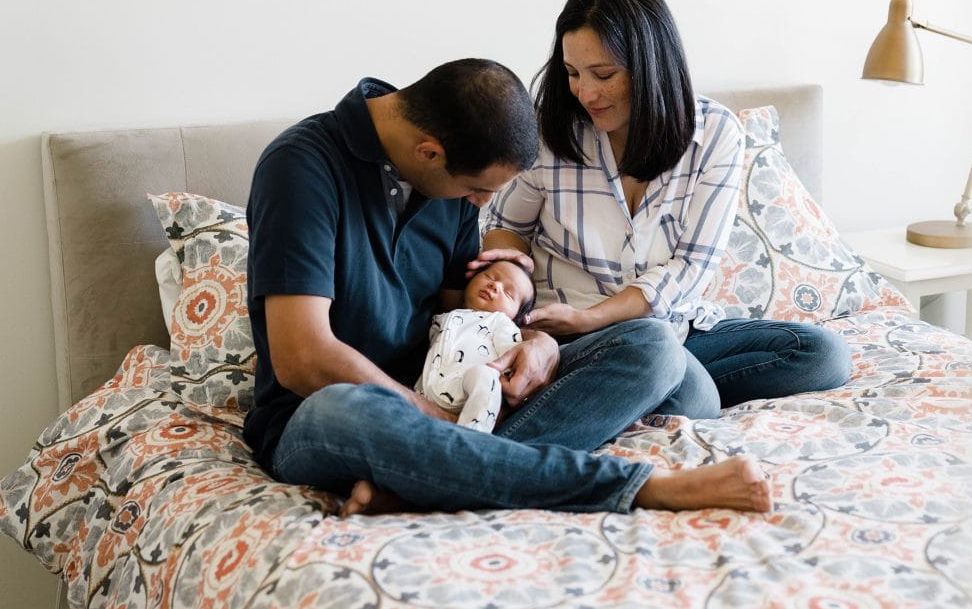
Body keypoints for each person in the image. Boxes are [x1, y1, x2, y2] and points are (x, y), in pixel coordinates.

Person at [241, 58, 772, 516]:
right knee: (349, 406)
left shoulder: (449, 178)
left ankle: (437, 484)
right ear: (428, 153)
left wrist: (529, 346)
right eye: (476, 189)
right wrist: (431, 417)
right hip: (321, 415)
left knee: (652, 346)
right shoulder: (301, 167)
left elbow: (458, 318)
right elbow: (302, 358)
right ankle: (642, 490)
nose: (479, 207)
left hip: (449, 392)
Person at [478, 0, 851, 417]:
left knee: (823, 354)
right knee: (693, 397)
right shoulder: (550, 133)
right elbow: (504, 228)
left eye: (604, 74)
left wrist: (596, 316)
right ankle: (629, 384)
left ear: (650, 66)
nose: (586, 93)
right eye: (573, 73)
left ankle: (624, 385)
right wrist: (513, 300)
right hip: (566, 332)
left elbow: (693, 265)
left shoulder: (715, 135)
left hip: (670, 327)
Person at [414, 260, 535, 433]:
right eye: (489, 276)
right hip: (427, 391)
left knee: (485, 375)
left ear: (516, 316)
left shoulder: (500, 322)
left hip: (468, 389)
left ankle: (473, 436)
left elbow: (511, 356)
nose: (494, 285)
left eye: (508, 293)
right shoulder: (443, 316)